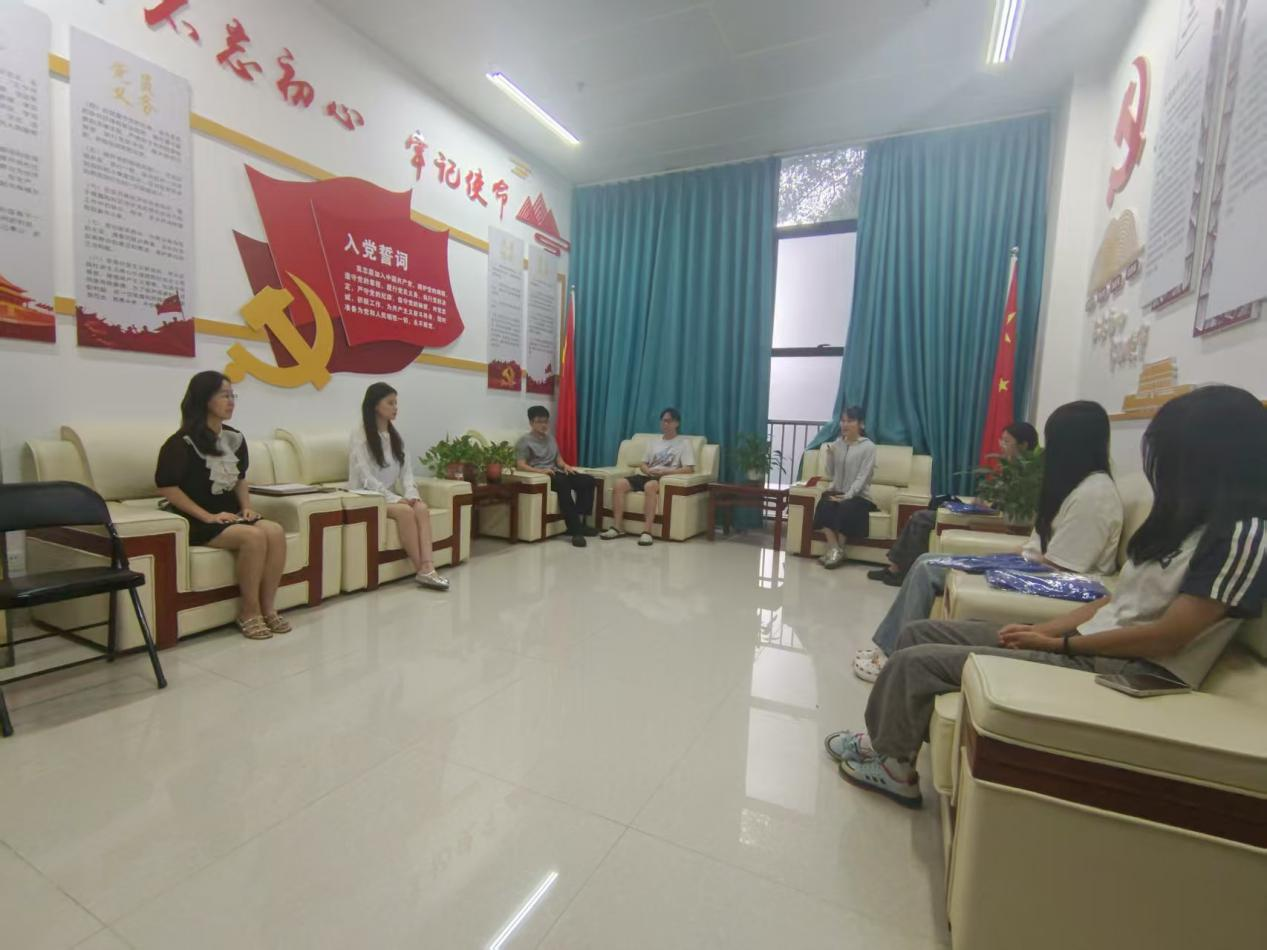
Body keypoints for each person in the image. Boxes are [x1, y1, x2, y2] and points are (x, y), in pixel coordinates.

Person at [825, 385, 1267, 808]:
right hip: (1089, 640)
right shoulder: (1186, 524)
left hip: (1124, 667)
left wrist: (1061, 644)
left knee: (915, 662)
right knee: (918, 633)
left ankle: (895, 769)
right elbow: (1118, 600)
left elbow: (1168, 637)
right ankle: (884, 742)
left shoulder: (1241, 536)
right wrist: (1047, 629)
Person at [853, 401, 1122, 682]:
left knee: (927, 568)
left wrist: (996, 565)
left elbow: (1064, 569)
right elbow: (1038, 547)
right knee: (925, 560)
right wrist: (994, 558)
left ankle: (891, 654)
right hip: (1035, 567)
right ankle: (888, 647)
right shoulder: (1078, 487)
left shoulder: (1094, 496)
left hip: (1052, 580)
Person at [156, 372, 290, 640]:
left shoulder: (234, 438)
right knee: (253, 537)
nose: (231, 402)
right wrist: (207, 516)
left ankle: (268, 608)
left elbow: (240, 478)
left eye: (232, 395)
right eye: (224, 395)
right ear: (204, 399)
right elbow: (167, 487)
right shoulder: (180, 443)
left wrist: (246, 507)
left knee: (275, 531)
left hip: (230, 513)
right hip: (197, 517)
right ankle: (249, 612)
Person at [869, 421, 1039, 586]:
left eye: (1007, 442)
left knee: (921, 518)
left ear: (1023, 445)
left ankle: (900, 570)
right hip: (987, 515)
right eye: (1001, 440)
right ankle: (896, 568)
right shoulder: (1009, 468)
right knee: (922, 515)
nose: (1001, 446)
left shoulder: (1027, 477)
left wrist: (989, 506)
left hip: (991, 524)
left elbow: (1014, 514)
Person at [348, 382, 449, 591]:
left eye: (396, 403)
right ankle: (421, 569)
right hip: (365, 496)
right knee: (405, 511)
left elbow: (407, 473)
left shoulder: (395, 436)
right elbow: (365, 477)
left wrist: (411, 495)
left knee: (420, 507)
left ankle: (429, 567)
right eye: (390, 403)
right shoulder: (360, 435)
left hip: (388, 496)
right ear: (376, 405)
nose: (395, 408)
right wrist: (395, 499)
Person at [600, 407, 696, 546]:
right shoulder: (654, 442)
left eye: (668, 421)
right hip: (648, 474)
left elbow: (689, 469)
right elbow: (643, 464)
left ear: (677, 423)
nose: (665, 424)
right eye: (663, 421)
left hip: (664, 478)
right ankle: (617, 527)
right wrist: (647, 470)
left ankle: (647, 532)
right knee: (619, 484)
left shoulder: (684, 443)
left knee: (650, 486)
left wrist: (666, 473)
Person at [516, 405, 598, 547]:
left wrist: (566, 466)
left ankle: (580, 523)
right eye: (539, 421)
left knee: (588, 481)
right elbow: (520, 465)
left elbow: (558, 459)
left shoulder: (551, 438)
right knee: (563, 484)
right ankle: (575, 530)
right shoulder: (524, 441)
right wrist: (540, 471)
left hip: (557, 472)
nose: (544, 425)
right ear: (531, 423)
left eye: (546, 421)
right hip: (544, 476)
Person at [812, 407, 877, 569]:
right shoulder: (837, 444)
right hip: (838, 491)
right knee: (824, 503)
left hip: (859, 496)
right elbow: (830, 473)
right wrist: (830, 456)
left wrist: (848, 495)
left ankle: (836, 551)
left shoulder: (868, 447)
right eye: (843, 421)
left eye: (850, 421)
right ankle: (835, 549)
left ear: (861, 424)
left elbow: (863, 477)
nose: (845, 424)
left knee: (846, 507)